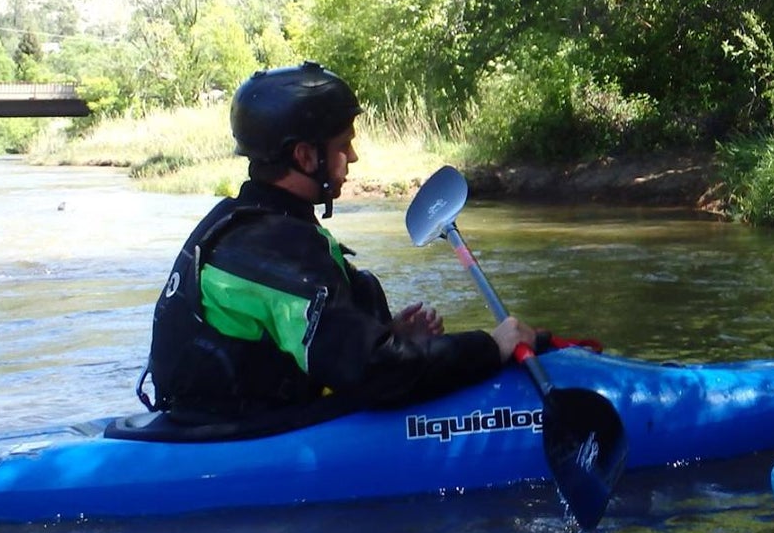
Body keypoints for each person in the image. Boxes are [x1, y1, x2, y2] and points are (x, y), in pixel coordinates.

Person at [137, 61, 534, 423]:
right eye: (343, 145)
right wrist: (490, 347)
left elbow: (308, 345)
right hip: (235, 438)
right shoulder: (273, 248)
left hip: (229, 418)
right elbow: (377, 374)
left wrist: (384, 334)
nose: (353, 156)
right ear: (306, 157)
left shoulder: (243, 220)